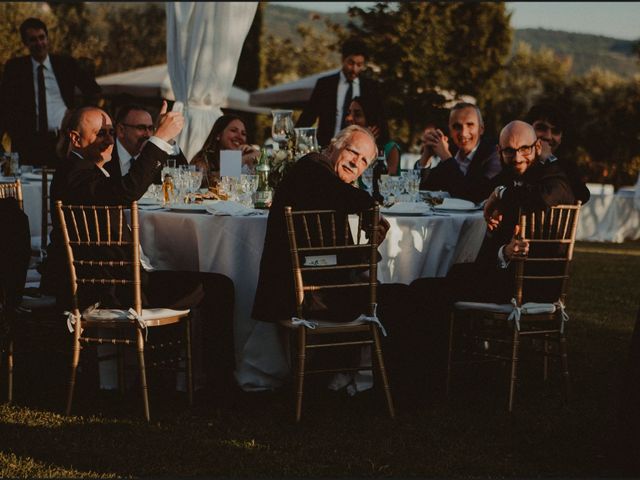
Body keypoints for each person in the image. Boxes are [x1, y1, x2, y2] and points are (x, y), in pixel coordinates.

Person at [42, 102, 235, 389]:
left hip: (114, 280)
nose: (107, 140)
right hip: (107, 288)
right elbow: (128, 191)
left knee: (186, 277)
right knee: (218, 286)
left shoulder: (86, 170)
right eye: (99, 133)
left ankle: (163, 375)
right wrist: (158, 138)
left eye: (109, 132)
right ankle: (216, 384)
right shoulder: (76, 174)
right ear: (75, 138)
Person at [409, 120, 576, 391]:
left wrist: (501, 195)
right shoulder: (510, 177)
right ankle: (432, 367)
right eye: (510, 151)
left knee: (431, 286)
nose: (518, 156)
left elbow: (550, 195)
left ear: (536, 147)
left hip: (528, 283)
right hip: (505, 274)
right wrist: (502, 244)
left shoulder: (552, 177)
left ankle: (429, 376)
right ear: (500, 152)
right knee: (433, 281)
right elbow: (475, 194)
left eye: (524, 149)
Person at [0, 17, 101, 168]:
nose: (39, 43)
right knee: (27, 186)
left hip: (61, 140)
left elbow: (94, 91)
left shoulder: (65, 64)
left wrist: (77, 115)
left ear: (47, 38)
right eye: (33, 40)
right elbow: (4, 104)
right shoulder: (15, 69)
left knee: (62, 186)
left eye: (42, 38)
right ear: (25, 43)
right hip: (27, 142)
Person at [296, 38, 384, 148]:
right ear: (343, 59)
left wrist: (376, 130)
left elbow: (380, 121)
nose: (354, 69)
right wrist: (294, 141)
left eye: (359, 64)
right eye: (351, 63)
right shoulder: (325, 84)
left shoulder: (371, 87)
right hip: (327, 147)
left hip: (357, 149)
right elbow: (308, 117)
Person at [420, 102, 501, 203]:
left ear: (481, 129)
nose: (463, 133)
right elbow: (423, 187)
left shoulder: (493, 153)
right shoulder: (453, 151)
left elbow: (473, 195)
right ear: (450, 131)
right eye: (457, 127)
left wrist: (446, 156)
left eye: (470, 125)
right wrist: (426, 156)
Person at [525, 102, 590, 204]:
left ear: (561, 138)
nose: (548, 137)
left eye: (555, 131)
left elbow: (583, 195)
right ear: (528, 130)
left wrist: (548, 159)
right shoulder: (518, 161)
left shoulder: (567, 167)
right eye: (541, 128)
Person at [105, 103, 187, 182]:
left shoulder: (155, 153)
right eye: (141, 128)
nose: (148, 134)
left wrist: (167, 139)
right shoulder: (104, 153)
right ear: (121, 130)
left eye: (151, 128)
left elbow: (184, 175)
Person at [190, 114, 259, 186]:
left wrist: (256, 157)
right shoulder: (202, 161)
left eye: (243, 133)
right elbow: (207, 186)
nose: (239, 136)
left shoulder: (247, 163)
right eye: (233, 130)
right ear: (218, 135)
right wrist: (240, 160)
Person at [345, 95, 401, 175]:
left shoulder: (390, 149)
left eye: (357, 115)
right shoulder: (343, 144)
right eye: (348, 113)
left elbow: (384, 182)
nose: (349, 118)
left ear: (372, 119)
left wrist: (368, 144)